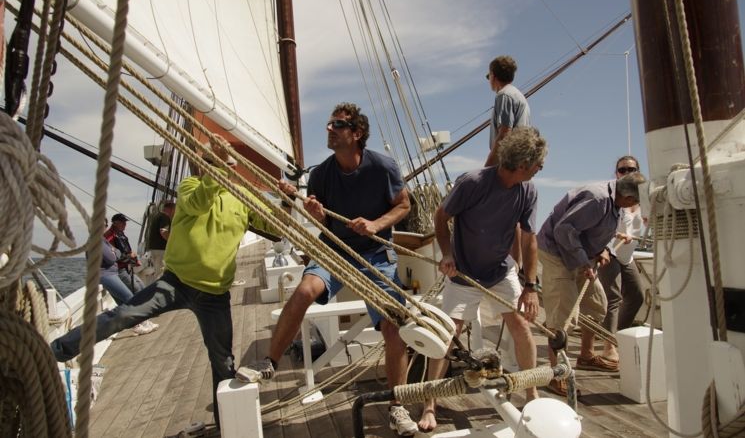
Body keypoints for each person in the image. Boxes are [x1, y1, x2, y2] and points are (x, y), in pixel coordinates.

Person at [50, 143, 278, 428]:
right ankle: (54, 353)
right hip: (175, 282)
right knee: (121, 315)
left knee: (223, 361)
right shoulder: (190, 186)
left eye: (214, 162)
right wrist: (216, 171)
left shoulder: (244, 198)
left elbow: (276, 227)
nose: (209, 166)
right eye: (207, 162)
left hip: (214, 293)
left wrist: (288, 200)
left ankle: (226, 426)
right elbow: (199, 203)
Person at [237, 102, 418, 436]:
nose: (329, 129)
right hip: (334, 251)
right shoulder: (321, 174)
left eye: (337, 124)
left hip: (375, 257)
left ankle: (398, 407)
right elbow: (319, 220)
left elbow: (404, 204)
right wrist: (314, 211)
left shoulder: (382, 167)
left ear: (357, 133)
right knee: (305, 290)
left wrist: (377, 225)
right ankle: (269, 363)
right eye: (329, 123)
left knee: (394, 329)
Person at [418, 127, 546, 432]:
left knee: (520, 326)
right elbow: (440, 217)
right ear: (521, 165)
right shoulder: (473, 183)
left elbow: (529, 239)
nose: (541, 170)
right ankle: (429, 403)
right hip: (463, 273)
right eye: (538, 165)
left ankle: (531, 392)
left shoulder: (528, 191)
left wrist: (531, 286)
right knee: (448, 335)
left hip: (501, 271)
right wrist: (447, 254)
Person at [537, 170, 646, 396]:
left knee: (597, 305)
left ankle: (585, 356)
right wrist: (584, 262)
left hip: (580, 255)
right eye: (635, 202)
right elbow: (564, 230)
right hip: (557, 254)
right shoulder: (598, 199)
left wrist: (602, 249)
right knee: (562, 316)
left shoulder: (614, 201)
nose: (633, 206)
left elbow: (595, 229)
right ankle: (556, 374)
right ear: (628, 198)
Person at [597, 156, 646, 363]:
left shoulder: (644, 201)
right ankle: (609, 346)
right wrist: (617, 236)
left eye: (631, 169)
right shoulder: (614, 198)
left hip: (628, 256)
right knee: (613, 298)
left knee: (637, 296)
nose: (626, 173)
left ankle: (618, 337)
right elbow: (601, 226)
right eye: (622, 170)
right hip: (610, 251)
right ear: (616, 173)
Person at [98, 218, 159, 335]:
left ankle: (139, 322)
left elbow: (117, 253)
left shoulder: (103, 239)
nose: (103, 227)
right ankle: (139, 323)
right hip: (107, 275)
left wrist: (114, 252)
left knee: (123, 302)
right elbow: (112, 257)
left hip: (113, 273)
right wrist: (114, 252)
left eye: (104, 225)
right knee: (128, 298)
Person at [484, 55, 530, 167]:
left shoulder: (504, 95)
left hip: (508, 166)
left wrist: (487, 168)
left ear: (493, 76)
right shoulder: (518, 95)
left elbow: (504, 134)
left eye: (489, 76)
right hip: (520, 163)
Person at [104, 213, 145, 293]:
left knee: (142, 287)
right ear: (115, 223)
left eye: (125, 222)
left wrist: (134, 259)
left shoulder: (120, 234)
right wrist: (130, 256)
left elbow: (127, 250)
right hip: (118, 270)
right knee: (137, 291)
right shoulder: (109, 237)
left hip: (127, 268)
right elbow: (112, 256)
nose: (125, 224)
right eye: (122, 222)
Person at [142, 201, 176, 285]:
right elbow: (163, 231)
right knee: (160, 273)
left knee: (157, 271)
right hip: (161, 249)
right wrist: (172, 242)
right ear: (171, 209)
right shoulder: (165, 217)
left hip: (154, 249)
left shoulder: (156, 216)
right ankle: (157, 292)